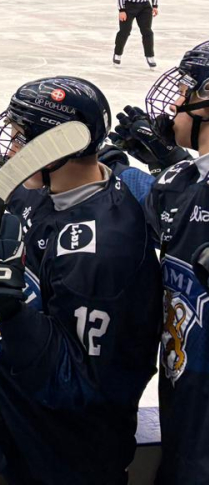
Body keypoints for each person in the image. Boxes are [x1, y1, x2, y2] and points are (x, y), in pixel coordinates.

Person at [0, 77, 161, 485]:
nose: (13, 150)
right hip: (20, 439)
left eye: (23, 138)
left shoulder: (106, 248)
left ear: (59, 145)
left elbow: (79, 386)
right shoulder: (47, 191)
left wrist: (12, 310)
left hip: (66, 461)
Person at [112, 41, 209, 484]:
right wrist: (114, 164)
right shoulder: (184, 180)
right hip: (184, 411)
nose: (174, 103)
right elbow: (154, 204)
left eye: (185, 91)